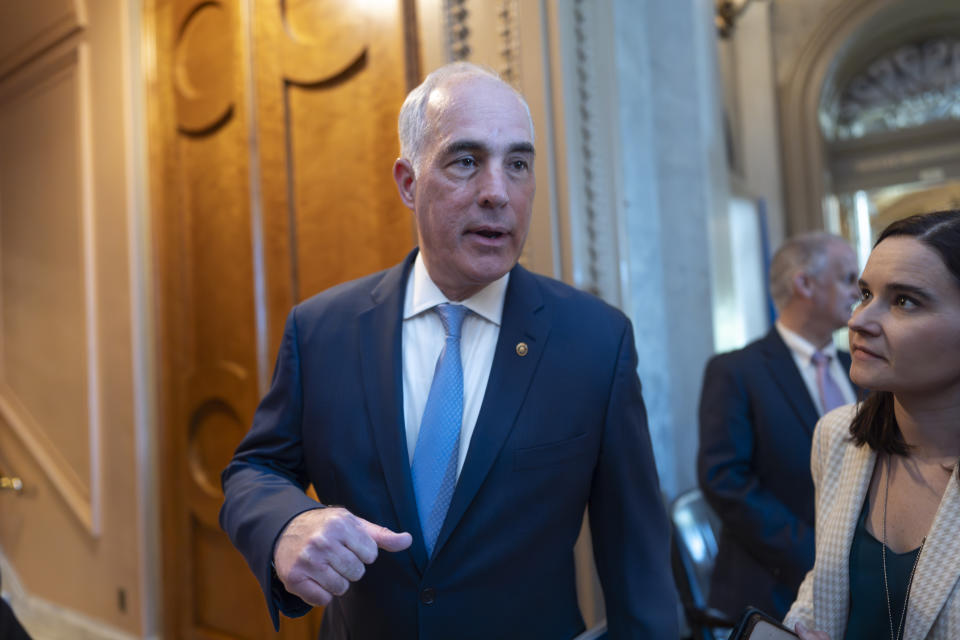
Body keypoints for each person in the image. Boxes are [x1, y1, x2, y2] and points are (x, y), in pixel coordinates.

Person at [219, 62, 678, 639]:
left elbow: (640, 567)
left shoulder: (595, 342)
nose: (497, 193)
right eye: (466, 161)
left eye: (518, 164)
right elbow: (254, 469)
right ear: (409, 183)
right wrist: (287, 524)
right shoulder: (322, 331)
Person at [786, 210, 960, 640]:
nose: (858, 321)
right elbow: (823, 590)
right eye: (865, 294)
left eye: (904, 301)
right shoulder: (839, 437)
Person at [697, 232, 861, 620]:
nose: (858, 292)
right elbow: (725, 480)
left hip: (864, 586)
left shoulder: (862, 368)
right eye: (848, 278)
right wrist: (818, 555)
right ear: (804, 283)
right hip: (773, 589)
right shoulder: (736, 371)